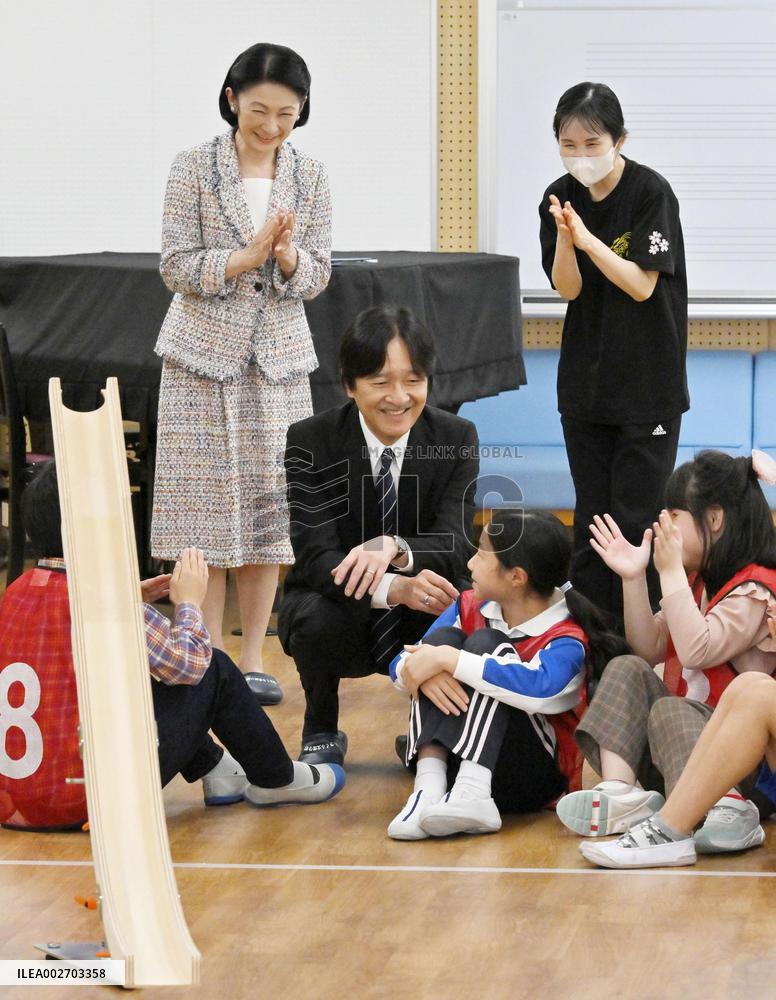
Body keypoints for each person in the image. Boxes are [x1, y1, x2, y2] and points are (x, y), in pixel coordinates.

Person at [0, 461, 344, 831]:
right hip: (84, 801)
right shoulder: (102, 603)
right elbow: (191, 665)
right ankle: (276, 779)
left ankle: (215, 767)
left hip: (15, 805)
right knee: (215, 668)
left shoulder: (15, 592)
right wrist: (189, 604)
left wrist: (131, 598)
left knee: (132, 679)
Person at [152, 43, 332, 703]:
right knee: (203, 520)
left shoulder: (309, 175)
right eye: (260, 110)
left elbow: (319, 273)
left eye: (287, 113)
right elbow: (174, 264)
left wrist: (285, 260)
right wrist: (241, 257)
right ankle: (203, 659)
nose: (273, 125)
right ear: (232, 99)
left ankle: (254, 657)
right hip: (201, 359)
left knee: (267, 514)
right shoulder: (192, 167)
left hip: (278, 363)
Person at [278, 305, 479, 766]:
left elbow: (454, 542)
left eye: (413, 380)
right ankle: (321, 725)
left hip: (422, 606)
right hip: (341, 610)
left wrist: (397, 548)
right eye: (380, 382)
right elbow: (315, 557)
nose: (399, 397)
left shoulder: (457, 436)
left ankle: (429, 731)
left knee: (463, 610)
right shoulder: (310, 440)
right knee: (311, 616)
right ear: (349, 385)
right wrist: (394, 588)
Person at [555, 450, 776, 854]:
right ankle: (621, 792)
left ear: (714, 519)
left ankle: (728, 803)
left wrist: (670, 572)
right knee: (626, 666)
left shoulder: (756, 590)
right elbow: (650, 647)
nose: (662, 524)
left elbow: (697, 650)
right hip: (677, 751)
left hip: (739, 768)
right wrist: (634, 577)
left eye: (674, 515)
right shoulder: (694, 581)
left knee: (671, 708)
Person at [539, 82, 688, 617]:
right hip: (586, 385)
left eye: (592, 143)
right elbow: (569, 289)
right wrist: (563, 239)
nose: (580, 157)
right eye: (568, 144)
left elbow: (643, 285)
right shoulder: (558, 197)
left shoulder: (651, 193)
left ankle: (642, 648)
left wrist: (588, 239)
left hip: (649, 385)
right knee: (593, 519)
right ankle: (590, 641)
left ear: (620, 139)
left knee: (637, 519)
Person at [386, 510, 627, 840]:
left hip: (532, 779)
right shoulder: (468, 606)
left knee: (484, 645)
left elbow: (538, 689)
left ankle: (474, 793)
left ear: (517, 576)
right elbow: (401, 664)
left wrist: (450, 662)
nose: (470, 562)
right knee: (440, 642)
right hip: (459, 759)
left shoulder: (567, 637)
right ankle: (428, 788)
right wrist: (426, 670)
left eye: (482, 552)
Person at [579, 665, 776, 868]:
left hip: (753, 771)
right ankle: (623, 796)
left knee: (759, 696)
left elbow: (694, 651)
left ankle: (672, 827)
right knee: (747, 682)